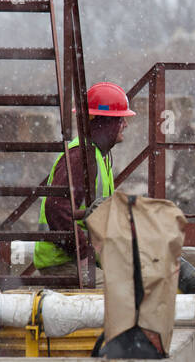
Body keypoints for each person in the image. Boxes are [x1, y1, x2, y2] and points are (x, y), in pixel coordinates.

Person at [33, 81, 135, 277]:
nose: (125, 124)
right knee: (127, 298)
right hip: (63, 263)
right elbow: (55, 207)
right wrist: (83, 253)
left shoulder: (96, 155)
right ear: (104, 123)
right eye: (120, 119)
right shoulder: (82, 157)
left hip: (74, 260)